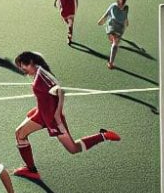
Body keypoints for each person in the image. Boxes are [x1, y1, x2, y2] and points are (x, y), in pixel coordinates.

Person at [12, 51, 121, 181]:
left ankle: (103, 135)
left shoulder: (42, 77)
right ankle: (31, 170)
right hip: (41, 114)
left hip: (53, 120)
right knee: (19, 134)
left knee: (73, 148)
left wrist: (57, 115)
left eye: (21, 66)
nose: (21, 70)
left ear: (30, 63)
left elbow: (60, 91)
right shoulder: (38, 72)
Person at [97, 0, 129, 70]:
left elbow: (125, 16)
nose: (119, 2)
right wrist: (101, 21)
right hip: (112, 27)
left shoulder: (125, 8)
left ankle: (111, 63)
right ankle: (111, 60)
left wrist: (126, 22)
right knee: (114, 41)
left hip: (118, 29)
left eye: (121, 2)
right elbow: (106, 14)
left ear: (124, 3)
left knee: (115, 43)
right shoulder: (114, 6)